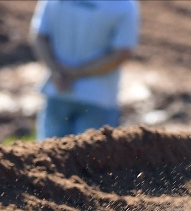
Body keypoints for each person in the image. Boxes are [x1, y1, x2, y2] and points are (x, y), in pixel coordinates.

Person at [30, 0, 139, 140]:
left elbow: (39, 36)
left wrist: (57, 71)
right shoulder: (123, 4)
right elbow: (122, 52)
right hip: (98, 96)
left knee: (49, 151)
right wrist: (76, 73)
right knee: (93, 152)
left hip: (58, 89)